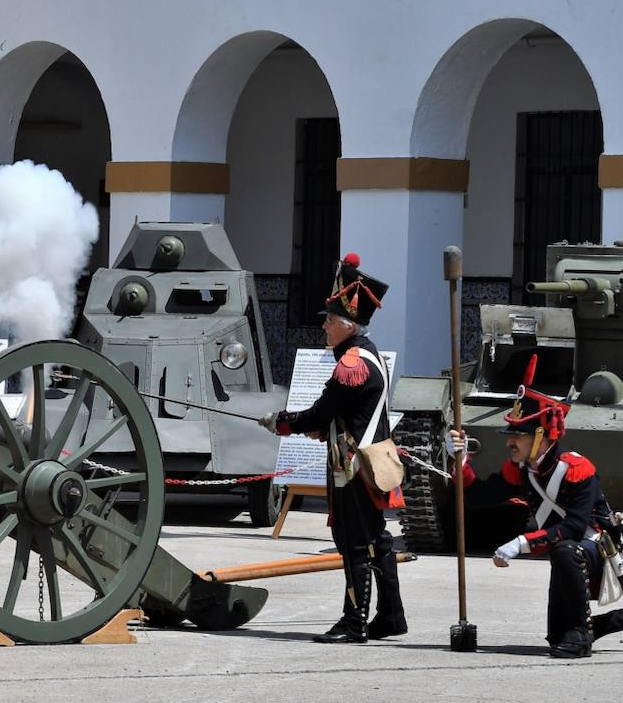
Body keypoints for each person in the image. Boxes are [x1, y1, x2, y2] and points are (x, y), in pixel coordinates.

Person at [259, 254, 406, 643]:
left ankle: (354, 621)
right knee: (376, 541)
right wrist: (321, 427)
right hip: (371, 459)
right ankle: (391, 615)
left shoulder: (352, 364)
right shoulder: (367, 354)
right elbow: (343, 415)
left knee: (355, 542)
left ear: (346, 324)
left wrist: (282, 422)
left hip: (355, 466)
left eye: (329, 320)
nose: (324, 326)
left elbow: (321, 411)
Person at [448, 356, 619, 658]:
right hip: (564, 548)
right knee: (555, 636)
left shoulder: (576, 468)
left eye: (517, 436)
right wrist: (460, 461)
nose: (509, 442)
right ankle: (587, 628)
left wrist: (521, 543)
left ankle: (581, 636)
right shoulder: (523, 469)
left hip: (599, 548)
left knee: (567, 549)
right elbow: (477, 496)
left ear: (541, 436)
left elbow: (575, 527)